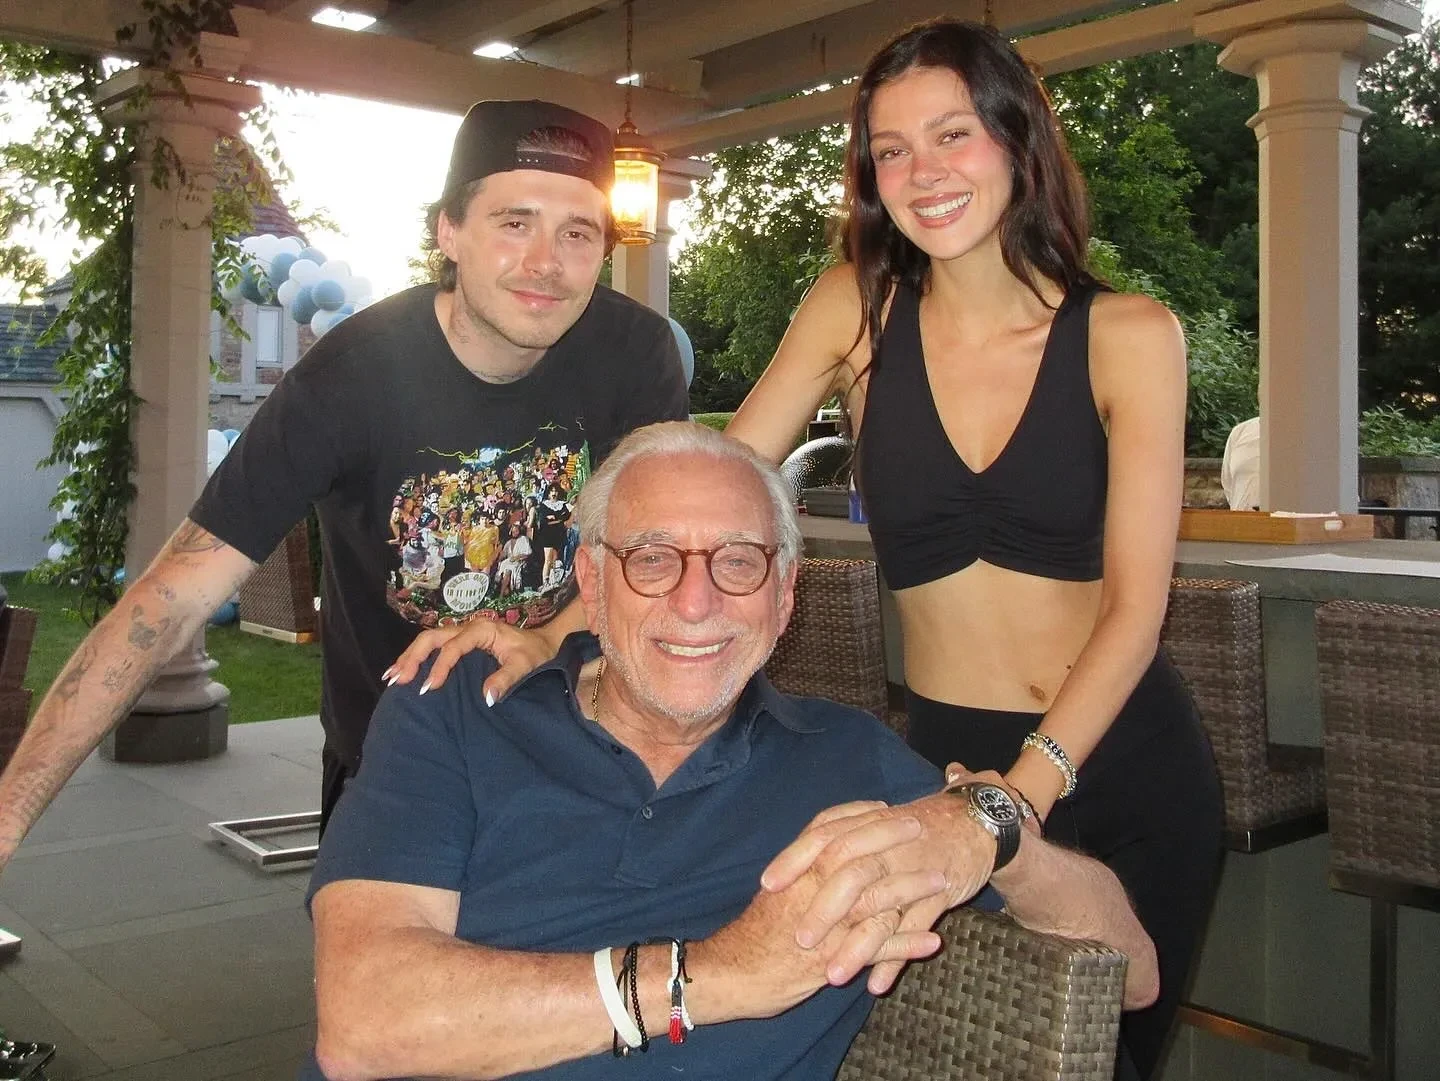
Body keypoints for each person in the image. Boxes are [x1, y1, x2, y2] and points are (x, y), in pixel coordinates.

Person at [304, 422, 1157, 1081]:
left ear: (784, 596)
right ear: (591, 584)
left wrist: (994, 829)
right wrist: (721, 975)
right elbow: (363, 1021)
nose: (696, 600)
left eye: (738, 563)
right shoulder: (460, 707)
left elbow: (1133, 973)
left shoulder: (850, 762)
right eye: (653, 559)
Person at [0, 98, 689, 870]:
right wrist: (11, 810)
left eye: (577, 233)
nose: (546, 262)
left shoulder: (633, 353)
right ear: (449, 231)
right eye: (514, 222)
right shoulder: (349, 379)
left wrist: (550, 639)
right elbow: (170, 597)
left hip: (581, 755)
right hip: (395, 771)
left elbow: (658, 555)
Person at [721, 21, 1221, 1077]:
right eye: (891, 150)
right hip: (947, 758)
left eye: (953, 134)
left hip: (1119, 765)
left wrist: (1011, 806)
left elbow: (1136, 611)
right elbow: (708, 490)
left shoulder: (1132, 336)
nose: (923, 172)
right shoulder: (855, 311)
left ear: (1016, 137)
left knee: (1110, 1063)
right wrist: (558, 626)